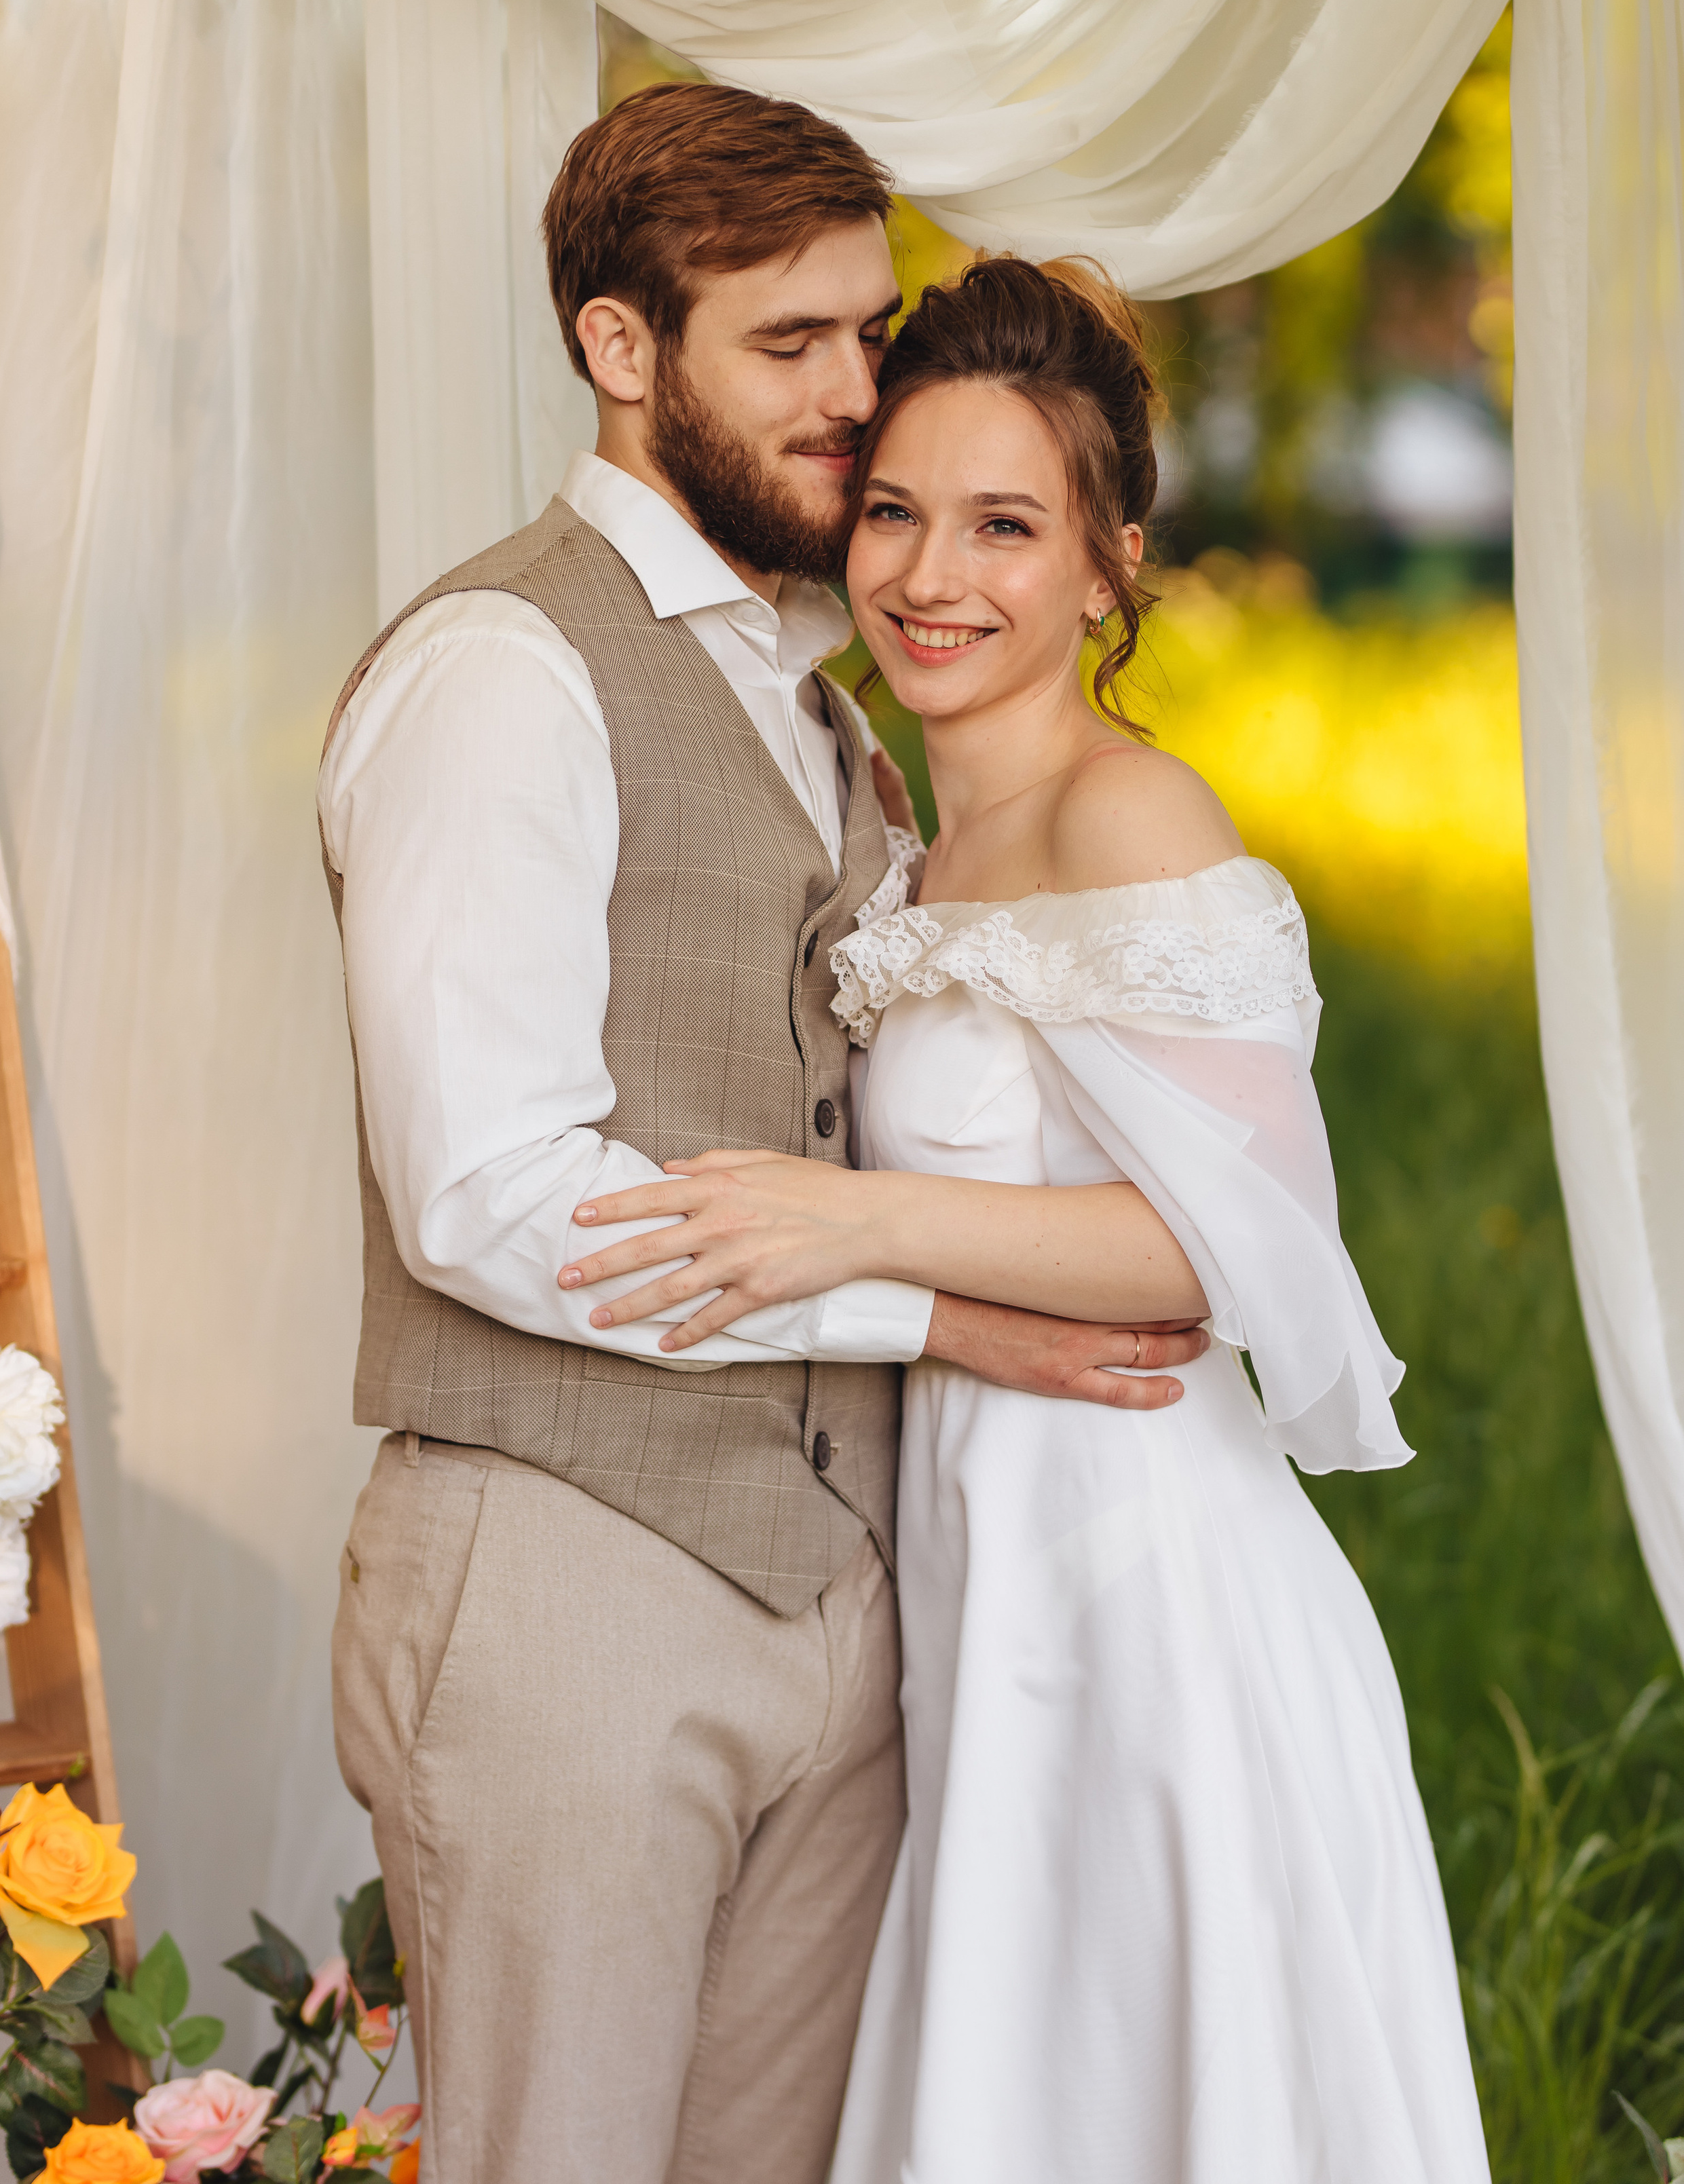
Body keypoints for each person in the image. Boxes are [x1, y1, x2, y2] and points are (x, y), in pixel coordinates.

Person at [316, 88, 1210, 2184]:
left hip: (846, 1601)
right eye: (784, 343)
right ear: (623, 349)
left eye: (864, 330)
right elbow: (489, 1192)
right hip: (572, 1578)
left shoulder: (820, 696)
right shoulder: (502, 671)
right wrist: (937, 1317)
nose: (853, 395)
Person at [572, 256, 1494, 2181]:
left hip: (1149, 1603)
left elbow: (1222, 1251)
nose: (931, 576)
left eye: (1007, 526)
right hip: (988, 1597)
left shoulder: (1130, 819)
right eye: (897, 510)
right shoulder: (918, 839)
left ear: (1108, 566)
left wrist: (852, 1227)